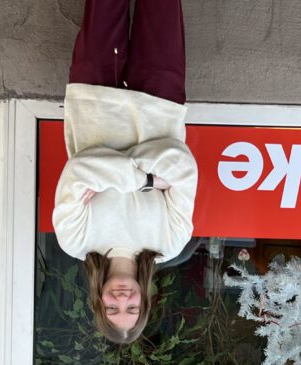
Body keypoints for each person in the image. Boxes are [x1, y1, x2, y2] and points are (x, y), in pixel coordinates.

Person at [53, 0, 198, 344]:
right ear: (145, 301)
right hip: (160, 106)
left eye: (112, 309)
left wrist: (148, 182)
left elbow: (78, 171)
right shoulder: (170, 242)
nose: (122, 300)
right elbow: (183, 164)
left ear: (97, 302)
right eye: (132, 309)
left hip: (93, 99)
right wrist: (110, 172)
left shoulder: (76, 240)